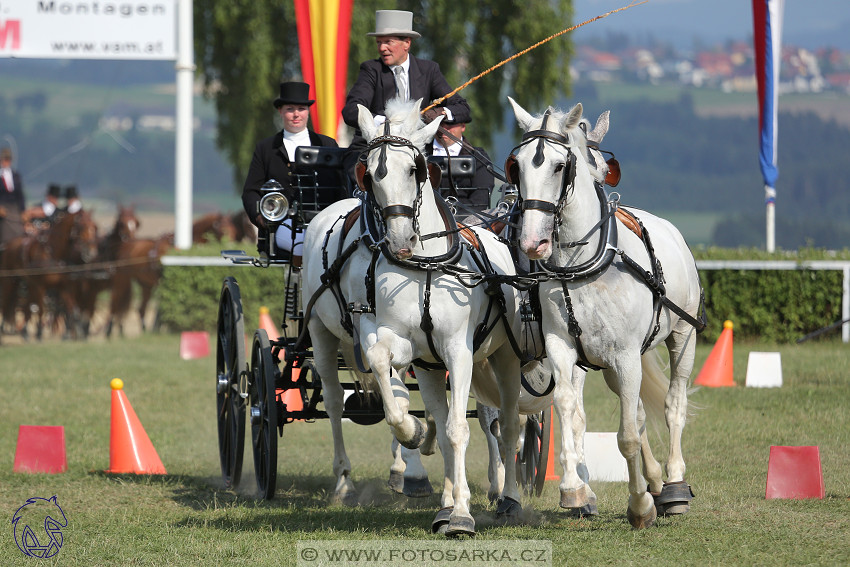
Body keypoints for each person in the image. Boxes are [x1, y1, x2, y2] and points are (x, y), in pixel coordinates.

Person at [341, 10, 471, 177]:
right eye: (379, 42)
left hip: (413, 151)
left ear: (407, 43)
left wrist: (440, 113)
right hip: (371, 148)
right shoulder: (371, 70)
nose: (382, 48)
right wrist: (387, 123)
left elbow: (462, 108)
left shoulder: (429, 70)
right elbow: (351, 110)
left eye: (388, 42)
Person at [241, 80, 339, 256]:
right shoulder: (266, 148)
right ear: (280, 111)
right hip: (283, 224)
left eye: (301, 109)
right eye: (290, 109)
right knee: (306, 247)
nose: (296, 114)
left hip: (325, 221)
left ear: (308, 111)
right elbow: (250, 191)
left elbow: (341, 187)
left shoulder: (327, 144)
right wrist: (261, 217)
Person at [428, 115, 494, 213]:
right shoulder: (419, 154)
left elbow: (480, 199)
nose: (444, 129)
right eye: (440, 124)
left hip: (465, 221)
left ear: (463, 126)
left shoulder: (478, 157)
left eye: (450, 124)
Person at [0, 147, 26, 246]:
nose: (5, 162)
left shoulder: (16, 176)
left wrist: (23, 211)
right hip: (2, 210)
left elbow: (20, 195)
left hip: (14, 209)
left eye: (7, 159)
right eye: (3, 159)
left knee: (19, 231)